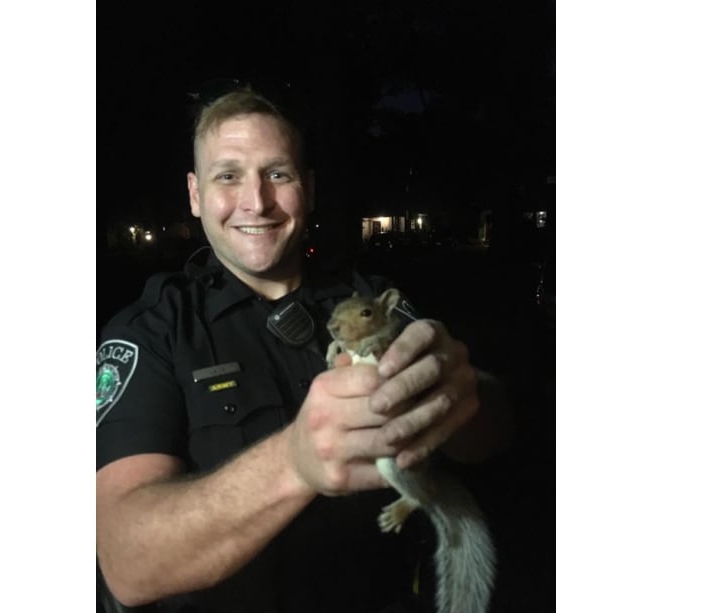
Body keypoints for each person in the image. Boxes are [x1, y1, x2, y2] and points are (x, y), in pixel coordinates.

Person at [96, 86, 513, 613]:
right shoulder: (153, 330)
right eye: (228, 176)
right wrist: (294, 463)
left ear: (308, 189)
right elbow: (126, 563)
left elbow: (494, 434)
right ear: (195, 194)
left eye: (277, 174)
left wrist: (460, 395)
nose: (257, 201)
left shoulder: (371, 296)